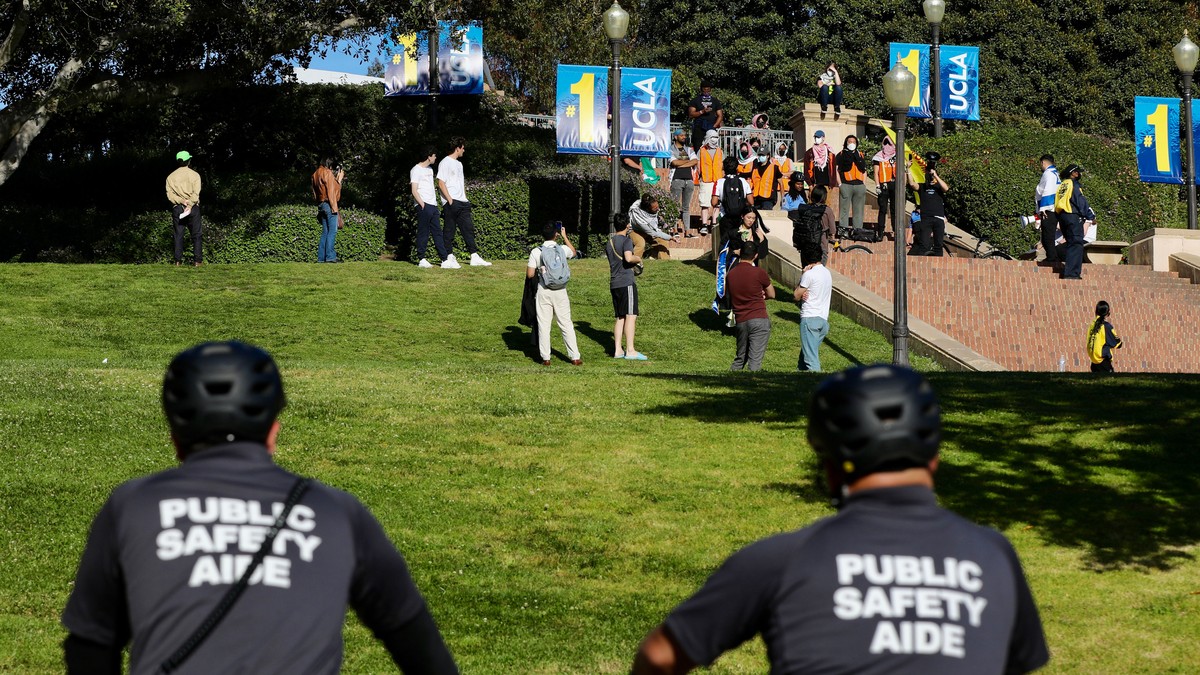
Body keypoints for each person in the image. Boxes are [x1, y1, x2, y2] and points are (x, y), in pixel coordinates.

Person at [62, 341, 459, 674]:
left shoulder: (134, 506)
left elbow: (91, 645)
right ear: (273, 430)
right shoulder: (336, 512)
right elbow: (418, 645)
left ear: (174, 436)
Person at [632, 364, 1051, 675]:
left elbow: (659, 657)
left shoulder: (781, 560)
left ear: (831, 466)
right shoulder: (994, 556)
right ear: (935, 458)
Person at [526, 222, 581, 366]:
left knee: (544, 324)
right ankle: (574, 356)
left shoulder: (536, 251)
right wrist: (565, 237)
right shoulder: (562, 249)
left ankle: (546, 358)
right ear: (556, 234)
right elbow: (574, 252)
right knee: (566, 323)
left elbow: (530, 274)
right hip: (561, 290)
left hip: (544, 290)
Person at [438, 137, 492, 267]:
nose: (464, 150)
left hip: (463, 202)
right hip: (452, 202)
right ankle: (449, 257)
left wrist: (465, 198)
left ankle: (474, 256)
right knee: (449, 230)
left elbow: (460, 184)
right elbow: (440, 182)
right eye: (463, 148)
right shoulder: (445, 162)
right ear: (458, 148)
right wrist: (450, 200)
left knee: (468, 229)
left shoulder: (459, 164)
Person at [727, 240, 775, 371]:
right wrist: (762, 295)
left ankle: (728, 381)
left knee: (740, 358)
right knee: (755, 361)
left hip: (741, 320)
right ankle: (751, 387)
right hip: (758, 318)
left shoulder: (730, 275)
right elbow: (772, 294)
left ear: (740, 253)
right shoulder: (759, 273)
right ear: (755, 255)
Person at [607, 214, 648, 360]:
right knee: (631, 315)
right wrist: (639, 258)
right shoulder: (626, 241)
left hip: (614, 283)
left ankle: (618, 350)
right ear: (627, 226)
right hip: (626, 283)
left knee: (620, 317)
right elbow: (629, 258)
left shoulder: (610, 242)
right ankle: (630, 350)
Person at [410, 145, 455, 269]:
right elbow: (414, 190)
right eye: (434, 155)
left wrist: (433, 204)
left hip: (433, 205)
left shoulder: (430, 170)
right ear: (429, 156)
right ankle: (421, 259)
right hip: (423, 205)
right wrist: (422, 204)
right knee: (424, 232)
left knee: (437, 232)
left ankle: (444, 260)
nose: (435, 158)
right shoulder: (416, 170)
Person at [794, 241, 831, 371]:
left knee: (811, 361)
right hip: (823, 321)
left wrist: (803, 275)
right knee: (805, 357)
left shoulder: (809, 274)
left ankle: (818, 386)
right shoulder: (827, 273)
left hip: (809, 320)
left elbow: (796, 295)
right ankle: (799, 384)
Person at [1054, 164, 1095, 280]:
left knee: (1071, 244)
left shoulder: (1062, 185)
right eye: (1078, 172)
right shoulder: (1073, 184)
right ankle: (1072, 274)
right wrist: (1090, 215)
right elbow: (1080, 200)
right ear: (1073, 173)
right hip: (1072, 216)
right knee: (1076, 244)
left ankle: (1069, 271)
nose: (1079, 174)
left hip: (1062, 217)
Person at [166, 150, 203, 267]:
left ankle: (178, 261)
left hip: (178, 208)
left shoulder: (170, 177)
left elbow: (170, 195)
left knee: (178, 234)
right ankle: (197, 261)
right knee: (196, 235)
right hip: (193, 208)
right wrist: (190, 204)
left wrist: (182, 201)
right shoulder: (195, 175)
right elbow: (196, 193)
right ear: (188, 160)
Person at [909, 152, 949, 257]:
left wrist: (935, 176)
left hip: (938, 218)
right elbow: (912, 184)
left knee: (938, 245)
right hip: (926, 218)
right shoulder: (923, 187)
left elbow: (946, 188)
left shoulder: (938, 186)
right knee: (924, 244)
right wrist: (907, 169)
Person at [311, 157, 343, 263]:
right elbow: (332, 192)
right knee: (332, 231)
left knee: (325, 232)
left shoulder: (315, 174)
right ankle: (330, 257)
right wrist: (339, 180)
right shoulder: (327, 172)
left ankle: (321, 258)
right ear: (329, 165)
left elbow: (315, 195)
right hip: (329, 204)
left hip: (321, 204)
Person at [629, 193, 680, 260]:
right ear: (647, 209)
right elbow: (653, 233)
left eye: (657, 206)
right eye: (655, 208)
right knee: (640, 243)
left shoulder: (646, 204)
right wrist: (671, 237)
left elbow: (653, 228)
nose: (658, 209)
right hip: (635, 231)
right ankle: (633, 263)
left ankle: (665, 262)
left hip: (649, 230)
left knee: (663, 241)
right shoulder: (639, 217)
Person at [669, 129, 699, 236]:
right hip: (677, 179)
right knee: (675, 206)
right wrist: (688, 161)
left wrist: (681, 163)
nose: (684, 137)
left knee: (686, 207)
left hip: (689, 180)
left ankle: (687, 231)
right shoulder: (671, 149)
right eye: (681, 135)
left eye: (685, 135)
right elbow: (674, 162)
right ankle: (674, 229)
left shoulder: (688, 149)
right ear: (675, 137)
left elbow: (695, 161)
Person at [836, 135, 869, 234]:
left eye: (853, 142)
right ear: (846, 143)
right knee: (844, 210)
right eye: (849, 142)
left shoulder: (860, 155)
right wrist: (840, 184)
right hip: (846, 184)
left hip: (859, 185)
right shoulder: (841, 154)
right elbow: (836, 170)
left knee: (858, 211)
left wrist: (864, 183)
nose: (851, 144)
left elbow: (864, 170)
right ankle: (843, 232)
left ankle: (857, 232)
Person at [1034, 154, 1060, 266]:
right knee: (1047, 235)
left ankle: (1051, 258)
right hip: (1052, 209)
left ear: (1043, 163)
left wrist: (1043, 208)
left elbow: (1048, 190)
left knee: (1047, 235)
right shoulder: (1055, 173)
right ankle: (1051, 257)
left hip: (1049, 209)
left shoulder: (1049, 174)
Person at [697, 130, 724, 236]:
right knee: (705, 203)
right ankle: (704, 225)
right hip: (706, 180)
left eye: (716, 137)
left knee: (717, 204)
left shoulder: (720, 151)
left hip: (717, 180)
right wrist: (701, 176)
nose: (715, 139)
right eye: (712, 137)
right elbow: (698, 165)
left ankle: (714, 224)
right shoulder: (701, 150)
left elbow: (722, 165)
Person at [1086, 300, 1123, 373]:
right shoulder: (1106, 326)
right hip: (1103, 361)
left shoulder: (1092, 325)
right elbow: (1117, 344)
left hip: (1094, 361)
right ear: (1106, 314)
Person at [687, 82, 724, 151]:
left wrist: (714, 126)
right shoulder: (695, 100)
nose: (706, 91)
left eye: (708, 90)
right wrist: (702, 111)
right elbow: (691, 114)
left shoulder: (715, 101)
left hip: (711, 127)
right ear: (701, 89)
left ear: (710, 90)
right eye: (704, 90)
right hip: (699, 127)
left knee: (712, 147)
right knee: (698, 148)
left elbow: (720, 115)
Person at [873, 138, 898, 238]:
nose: (887, 145)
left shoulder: (897, 155)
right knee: (883, 209)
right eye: (885, 143)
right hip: (883, 185)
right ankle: (880, 232)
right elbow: (876, 172)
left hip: (895, 184)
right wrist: (877, 185)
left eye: (890, 143)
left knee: (894, 209)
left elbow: (902, 171)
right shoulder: (878, 156)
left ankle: (895, 231)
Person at [804, 130, 838, 195]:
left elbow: (833, 169)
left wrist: (832, 184)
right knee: (814, 204)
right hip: (815, 185)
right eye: (816, 137)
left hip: (828, 185)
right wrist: (810, 185)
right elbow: (806, 170)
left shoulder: (830, 152)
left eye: (819, 137)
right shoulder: (809, 153)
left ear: (823, 138)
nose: (817, 139)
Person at [749, 145, 781, 210]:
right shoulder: (755, 167)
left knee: (766, 217)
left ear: (768, 156)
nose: (761, 157)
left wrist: (782, 198)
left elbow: (781, 183)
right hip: (756, 198)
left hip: (768, 199)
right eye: (760, 155)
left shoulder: (774, 168)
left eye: (763, 155)